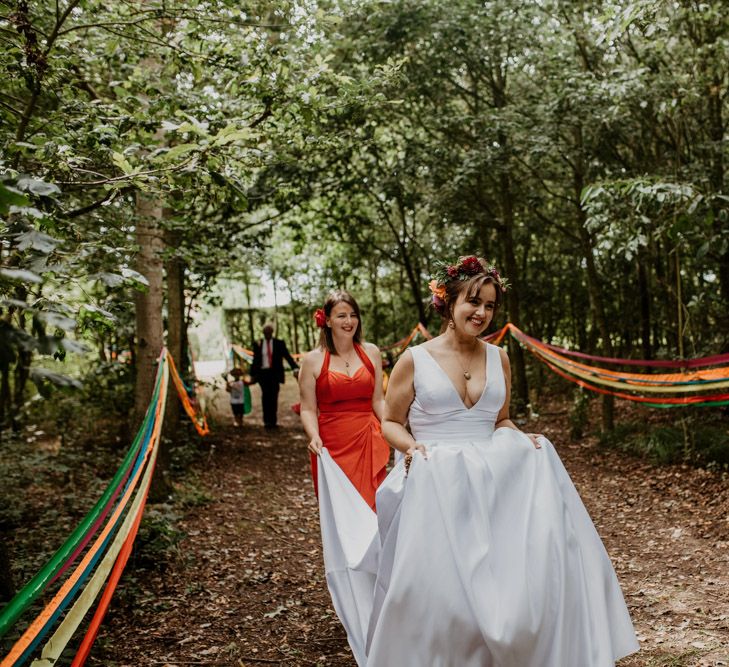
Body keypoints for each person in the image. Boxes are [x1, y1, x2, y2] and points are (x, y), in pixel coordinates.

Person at [360, 255, 639, 666]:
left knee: (509, 587)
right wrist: (412, 448)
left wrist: (520, 438)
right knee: (442, 595)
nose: (482, 313)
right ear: (448, 303)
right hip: (438, 482)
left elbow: (501, 419)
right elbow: (390, 422)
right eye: (474, 302)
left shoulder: (500, 358)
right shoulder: (414, 359)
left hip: (494, 486)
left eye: (490, 306)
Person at [298, 291, 390, 510]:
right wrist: (313, 436)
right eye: (341, 316)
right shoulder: (312, 360)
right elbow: (308, 409)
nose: (349, 321)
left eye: (353, 315)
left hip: (369, 439)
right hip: (332, 444)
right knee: (341, 510)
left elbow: (378, 400)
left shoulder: (372, 352)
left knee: (374, 508)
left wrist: (392, 425)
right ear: (327, 321)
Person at [250, 323, 299, 429]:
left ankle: (273, 421)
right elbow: (255, 361)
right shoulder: (258, 344)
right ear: (263, 333)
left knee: (274, 397)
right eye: (265, 332)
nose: (267, 334)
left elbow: (287, 356)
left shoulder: (279, 343)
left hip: (274, 374)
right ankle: (266, 422)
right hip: (263, 374)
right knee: (265, 397)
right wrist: (252, 375)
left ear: (272, 332)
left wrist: (295, 367)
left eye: (269, 332)